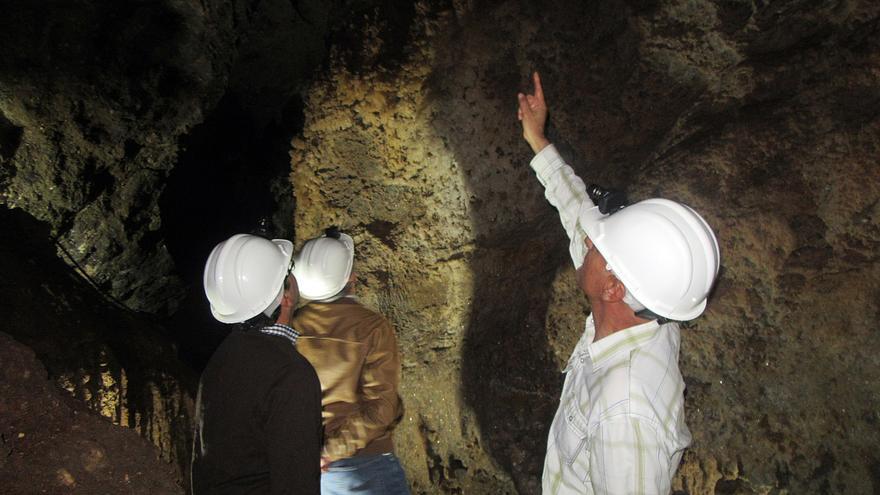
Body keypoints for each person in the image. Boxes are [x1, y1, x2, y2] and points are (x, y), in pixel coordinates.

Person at [517, 72, 720, 494]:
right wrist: (538, 139)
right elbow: (579, 215)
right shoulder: (643, 309)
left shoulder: (624, 410)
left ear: (612, 288)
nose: (589, 236)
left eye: (599, 245)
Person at [192, 233, 323, 494]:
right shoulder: (291, 375)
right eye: (289, 270)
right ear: (286, 297)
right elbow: (297, 483)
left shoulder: (223, 356)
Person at [290, 227, 410, 495]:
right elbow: (380, 408)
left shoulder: (291, 327)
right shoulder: (372, 327)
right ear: (350, 277)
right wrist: (329, 452)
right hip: (364, 467)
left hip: (312, 475)